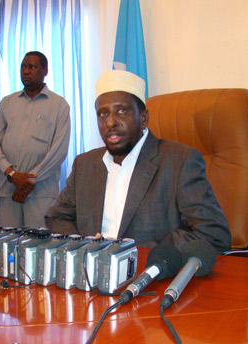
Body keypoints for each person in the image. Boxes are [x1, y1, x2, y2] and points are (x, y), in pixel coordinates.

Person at [45, 70, 231, 254]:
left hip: (152, 276)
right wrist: (84, 247)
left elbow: (213, 234)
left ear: (143, 119)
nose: (110, 122)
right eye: (102, 114)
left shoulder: (180, 161)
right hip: (91, 276)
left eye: (121, 111)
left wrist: (155, 254)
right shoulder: (84, 164)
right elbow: (56, 216)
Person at [0, 51, 71, 227]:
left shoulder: (59, 105)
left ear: (45, 70)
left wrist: (28, 182)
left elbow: (59, 150)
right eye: (23, 67)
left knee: (38, 246)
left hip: (41, 191)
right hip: (8, 188)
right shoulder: (7, 103)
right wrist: (12, 174)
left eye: (32, 67)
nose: (26, 71)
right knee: (7, 244)